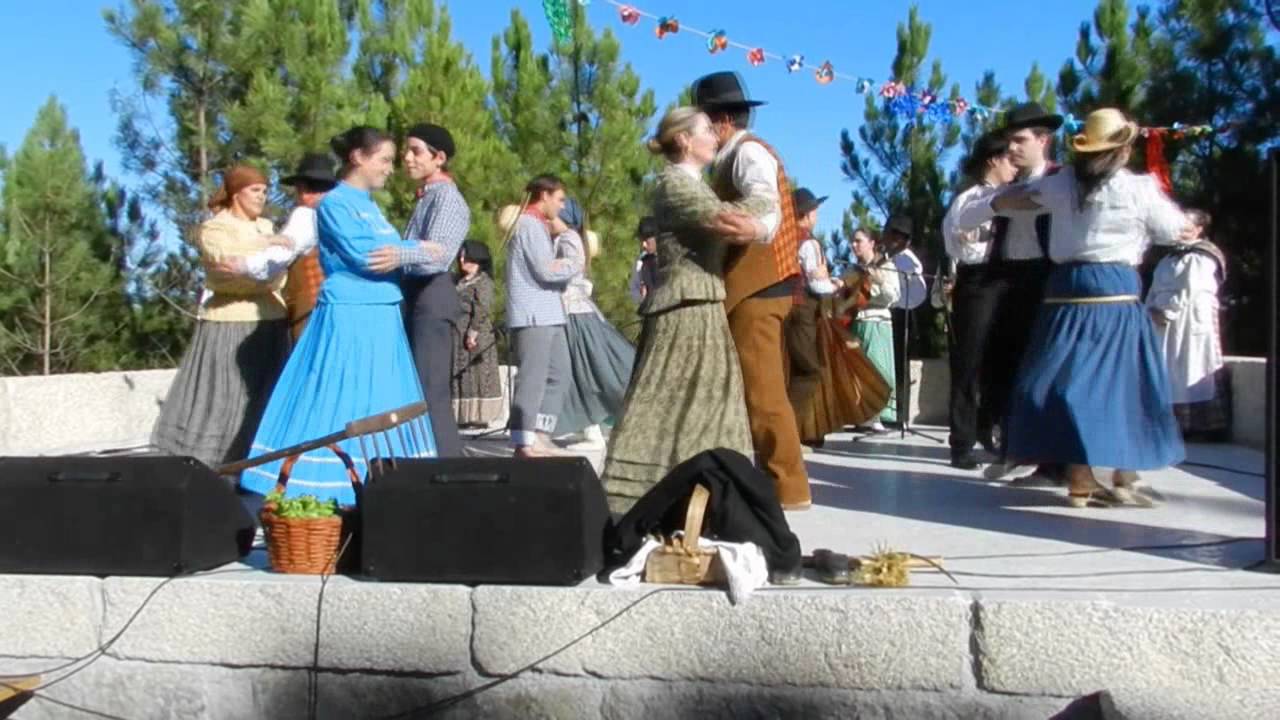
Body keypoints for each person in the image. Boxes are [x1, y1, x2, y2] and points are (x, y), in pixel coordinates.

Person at [993, 108, 1190, 506]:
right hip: (1114, 291)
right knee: (1125, 386)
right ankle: (1114, 475)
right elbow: (1175, 229)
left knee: (1064, 381)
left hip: (1066, 290)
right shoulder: (1138, 188)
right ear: (1124, 148)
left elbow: (1004, 204)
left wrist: (1017, 195)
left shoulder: (1061, 183)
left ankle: (1092, 475)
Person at [241, 127, 436, 504]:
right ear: (357, 158)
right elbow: (369, 256)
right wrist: (414, 249)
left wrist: (401, 251)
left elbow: (387, 252)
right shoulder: (334, 204)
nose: (389, 169)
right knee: (340, 399)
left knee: (381, 402)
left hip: (382, 314)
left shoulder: (369, 206)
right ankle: (320, 489)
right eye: (383, 160)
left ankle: (385, 486)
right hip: (350, 316)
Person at [602, 107, 762, 514]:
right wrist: (767, 191)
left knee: (708, 409)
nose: (715, 136)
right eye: (707, 130)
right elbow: (728, 220)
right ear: (684, 140)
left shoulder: (695, 184)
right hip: (683, 308)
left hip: (702, 305)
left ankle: (708, 498)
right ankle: (634, 501)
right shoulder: (673, 184)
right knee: (664, 407)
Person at [694, 70, 811, 511]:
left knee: (763, 390)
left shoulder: (748, 155)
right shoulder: (731, 157)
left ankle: (789, 486)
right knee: (752, 388)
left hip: (759, 286)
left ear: (721, 121)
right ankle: (766, 476)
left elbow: (766, 209)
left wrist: (741, 225)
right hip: (748, 287)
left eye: (704, 123)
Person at [949, 102, 1067, 487]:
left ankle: (1052, 458)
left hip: (1044, 278)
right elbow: (963, 220)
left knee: (1042, 368)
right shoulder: (1001, 191)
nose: (1012, 150)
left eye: (1019, 141)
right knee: (1001, 367)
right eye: (1009, 143)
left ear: (1043, 140)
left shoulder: (1061, 180)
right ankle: (1012, 448)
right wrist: (999, 202)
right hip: (1003, 278)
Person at [151, 165, 291, 470]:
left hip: (270, 318)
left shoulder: (265, 226)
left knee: (265, 397)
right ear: (237, 192)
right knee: (226, 397)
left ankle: (261, 466)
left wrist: (258, 263)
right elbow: (226, 260)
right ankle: (217, 465)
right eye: (255, 190)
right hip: (228, 321)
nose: (262, 197)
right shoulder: (216, 228)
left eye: (265, 190)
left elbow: (273, 275)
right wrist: (264, 253)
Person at [368, 123, 469, 458]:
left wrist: (397, 253)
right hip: (417, 297)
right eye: (406, 151)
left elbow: (439, 252)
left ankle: (449, 468)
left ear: (439, 158)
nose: (407, 158)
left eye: (416, 151)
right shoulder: (428, 198)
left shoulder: (449, 200)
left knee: (430, 390)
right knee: (415, 391)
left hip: (432, 297)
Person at [941, 130, 1018, 468]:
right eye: (1008, 160)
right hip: (979, 280)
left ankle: (993, 431)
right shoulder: (970, 200)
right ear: (993, 161)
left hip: (1009, 280)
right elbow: (960, 244)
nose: (1014, 167)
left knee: (1003, 362)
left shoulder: (1017, 197)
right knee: (969, 363)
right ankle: (962, 441)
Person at [547, 198, 636, 449]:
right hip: (570, 312)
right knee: (577, 372)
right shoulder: (565, 240)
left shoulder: (568, 240)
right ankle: (588, 427)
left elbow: (566, 272)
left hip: (573, 314)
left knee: (584, 371)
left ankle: (593, 431)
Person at [505, 175, 578, 458]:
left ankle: (541, 434)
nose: (561, 207)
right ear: (544, 195)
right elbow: (546, 270)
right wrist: (572, 262)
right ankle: (524, 441)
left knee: (559, 373)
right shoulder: (528, 225)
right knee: (533, 377)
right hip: (533, 314)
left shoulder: (537, 226)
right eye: (559, 199)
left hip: (550, 313)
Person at [1146, 209, 1231, 440]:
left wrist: (1169, 310)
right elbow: (1154, 287)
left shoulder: (1202, 256)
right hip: (1162, 320)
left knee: (1195, 364)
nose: (1180, 231)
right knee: (1168, 367)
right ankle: (1171, 425)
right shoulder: (1168, 258)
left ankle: (1203, 427)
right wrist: (1150, 310)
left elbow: (1191, 288)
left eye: (1186, 226)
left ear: (1199, 229)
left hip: (1190, 316)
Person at [784, 188, 839, 432]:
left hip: (783, 307)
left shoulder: (784, 240)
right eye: (815, 210)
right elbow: (817, 284)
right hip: (803, 309)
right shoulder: (809, 243)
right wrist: (838, 285)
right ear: (807, 214)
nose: (817, 215)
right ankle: (791, 433)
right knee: (808, 371)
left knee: (791, 369)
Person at [847, 228, 901, 432]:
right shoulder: (852, 269)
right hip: (856, 323)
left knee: (876, 369)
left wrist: (876, 284)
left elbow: (893, 296)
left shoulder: (886, 266)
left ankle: (876, 415)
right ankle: (861, 415)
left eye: (858, 241)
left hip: (876, 322)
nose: (854, 245)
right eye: (852, 241)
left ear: (871, 243)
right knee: (857, 371)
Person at [451, 240, 503, 428]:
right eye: (461, 256)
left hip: (476, 336)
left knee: (478, 375)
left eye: (467, 256)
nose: (462, 259)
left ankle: (479, 417)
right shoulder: (459, 281)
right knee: (463, 375)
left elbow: (482, 309)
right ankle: (464, 416)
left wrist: (472, 333)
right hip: (458, 334)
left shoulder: (483, 282)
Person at [885, 215, 926, 425]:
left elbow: (917, 292)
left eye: (897, 237)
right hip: (891, 313)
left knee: (900, 364)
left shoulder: (908, 261)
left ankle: (899, 412)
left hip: (905, 314)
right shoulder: (887, 258)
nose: (891, 240)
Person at [628, 216, 660, 304]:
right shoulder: (640, 263)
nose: (644, 245)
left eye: (647, 241)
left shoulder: (670, 259)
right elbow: (633, 290)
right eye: (641, 241)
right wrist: (641, 296)